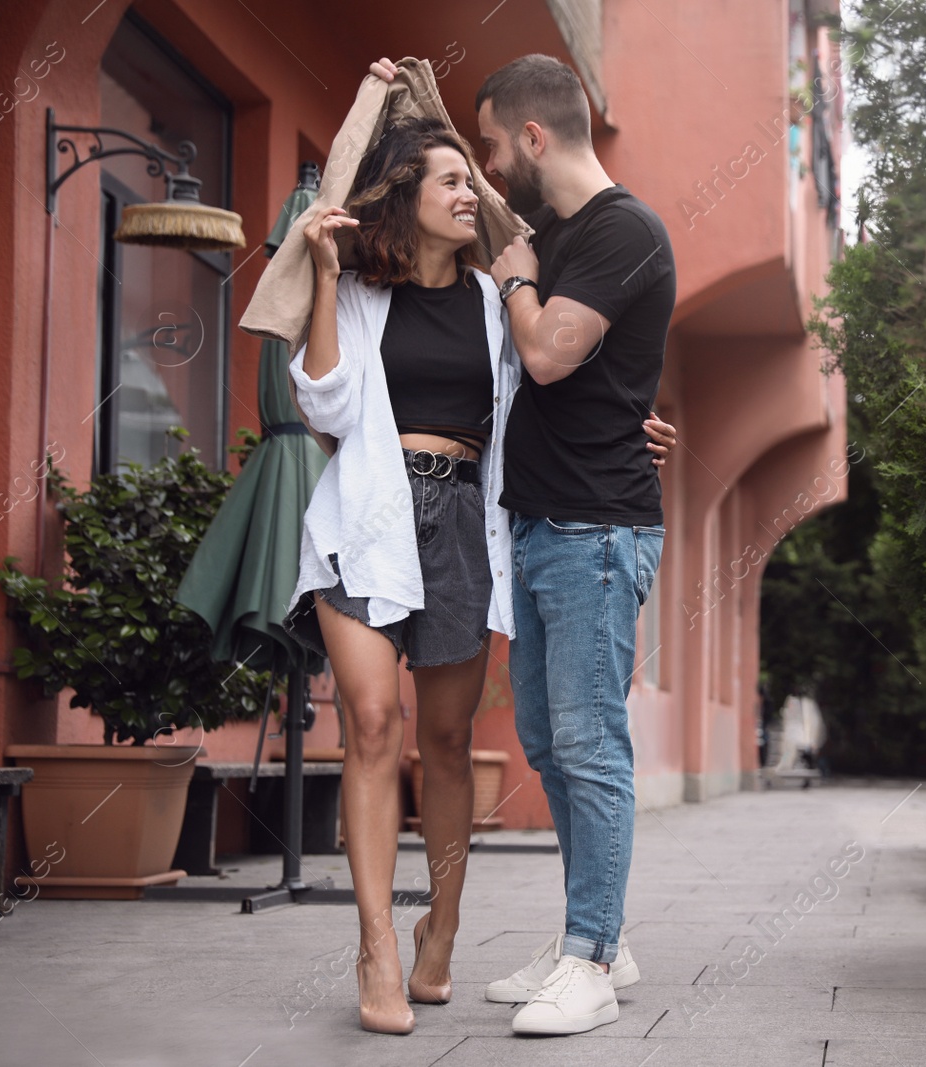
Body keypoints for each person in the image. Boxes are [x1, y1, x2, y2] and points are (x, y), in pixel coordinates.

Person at [282, 114, 675, 1036]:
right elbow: (327, 405)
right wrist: (327, 277)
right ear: (405, 198)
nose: (472, 195)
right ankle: (376, 944)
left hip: (463, 522)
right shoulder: (359, 296)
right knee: (373, 727)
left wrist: (637, 424)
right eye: (450, 181)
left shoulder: (500, 302)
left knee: (451, 743)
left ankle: (442, 928)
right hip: (367, 523)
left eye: (473, 176)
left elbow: (557, 387)